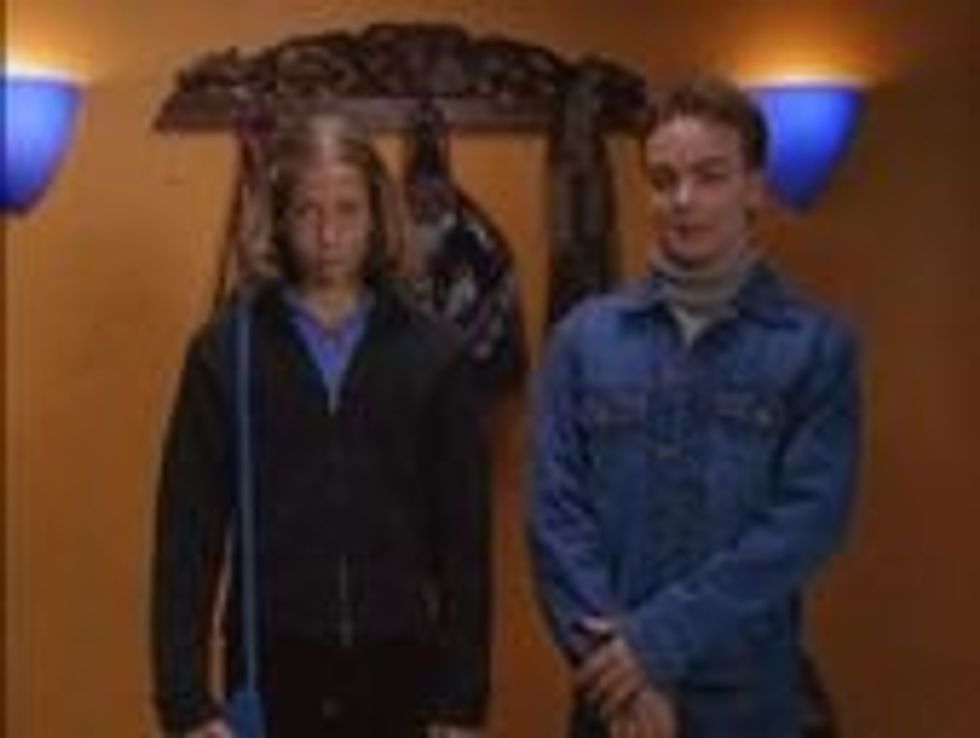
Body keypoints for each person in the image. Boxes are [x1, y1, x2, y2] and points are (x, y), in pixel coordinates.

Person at [528, 76, 861, 737]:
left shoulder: (816, 347)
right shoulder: (583, 340)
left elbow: (804, 526)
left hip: (752, 705)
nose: (683, 200)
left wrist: (653, 645)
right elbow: (555, 518)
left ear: (754, 188)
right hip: (612, 704)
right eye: (663, 180)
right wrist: (619, 678)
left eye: (709, 177)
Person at [151, 112, 490, 738]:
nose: (328, 235)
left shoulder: (434, 354)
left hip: (402, 665)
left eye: (347, 211)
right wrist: (186, 702)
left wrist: (462, 700)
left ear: (378, 215)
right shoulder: (225, 350)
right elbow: (186, 537)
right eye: (307, 211)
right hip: (272, 666)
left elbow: (463, 544)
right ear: (279, 218)